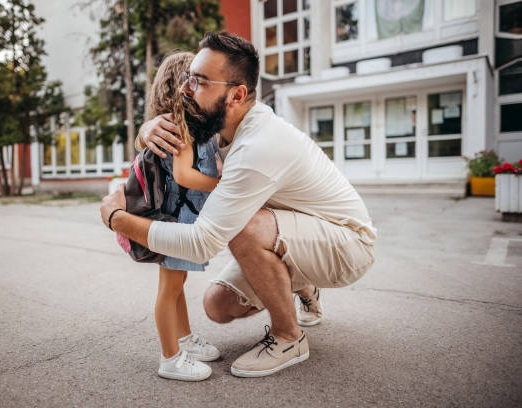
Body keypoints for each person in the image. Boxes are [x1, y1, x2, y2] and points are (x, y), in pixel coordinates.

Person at [101, 32, 376, 378]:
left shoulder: (258, 144)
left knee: (242, 228)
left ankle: (289, 337)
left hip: (348, 242)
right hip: (294, 226)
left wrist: (117, 219)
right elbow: (177, 136)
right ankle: (303, 282)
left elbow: (202, 241)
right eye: (187, 77)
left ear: (237, 94)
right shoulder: (221, 122)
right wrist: (147, 130)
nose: (186, 89)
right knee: (217, 306)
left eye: (198, 82)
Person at [138, 52, 222, 381]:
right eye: (196, 77)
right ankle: (169, 357)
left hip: (182, 216)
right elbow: (184, 175)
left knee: (178, 284)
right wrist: (221, 185)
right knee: (169, 289)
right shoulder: (181, 124)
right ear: (183, 85)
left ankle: (184, 339)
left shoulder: (188, 123)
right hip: (179, 218)